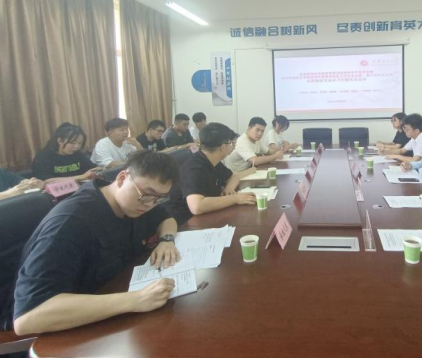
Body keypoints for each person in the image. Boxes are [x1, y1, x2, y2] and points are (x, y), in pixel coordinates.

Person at [5, 151, 180, 336]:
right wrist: (135, 300)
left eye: (160, 198)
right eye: (147, 195)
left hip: (108, 297)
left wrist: (166, 240)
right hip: (59, 327)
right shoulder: (70, 223)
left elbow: (166, 218)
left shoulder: (136, 203)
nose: (150, 204)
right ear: (122, 178)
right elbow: (28, 318)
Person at [166, 123, 257, 225]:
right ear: (223, 147)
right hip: (185, 222)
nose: (233, 146)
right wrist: (235, 198)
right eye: (231, 143)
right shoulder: (195, 168)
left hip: (206, 215)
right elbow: (197, 206)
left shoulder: (212, 160)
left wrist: (229, 188)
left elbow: (233, 177)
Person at [31, 123, 99, 182]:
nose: (77, 146)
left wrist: (99, 170)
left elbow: (92, 169)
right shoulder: (43, 157)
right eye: (72, 143)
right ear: (60, 140)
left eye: (80, 143)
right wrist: (82, 177)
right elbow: (46, 181)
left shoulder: (78, 154)